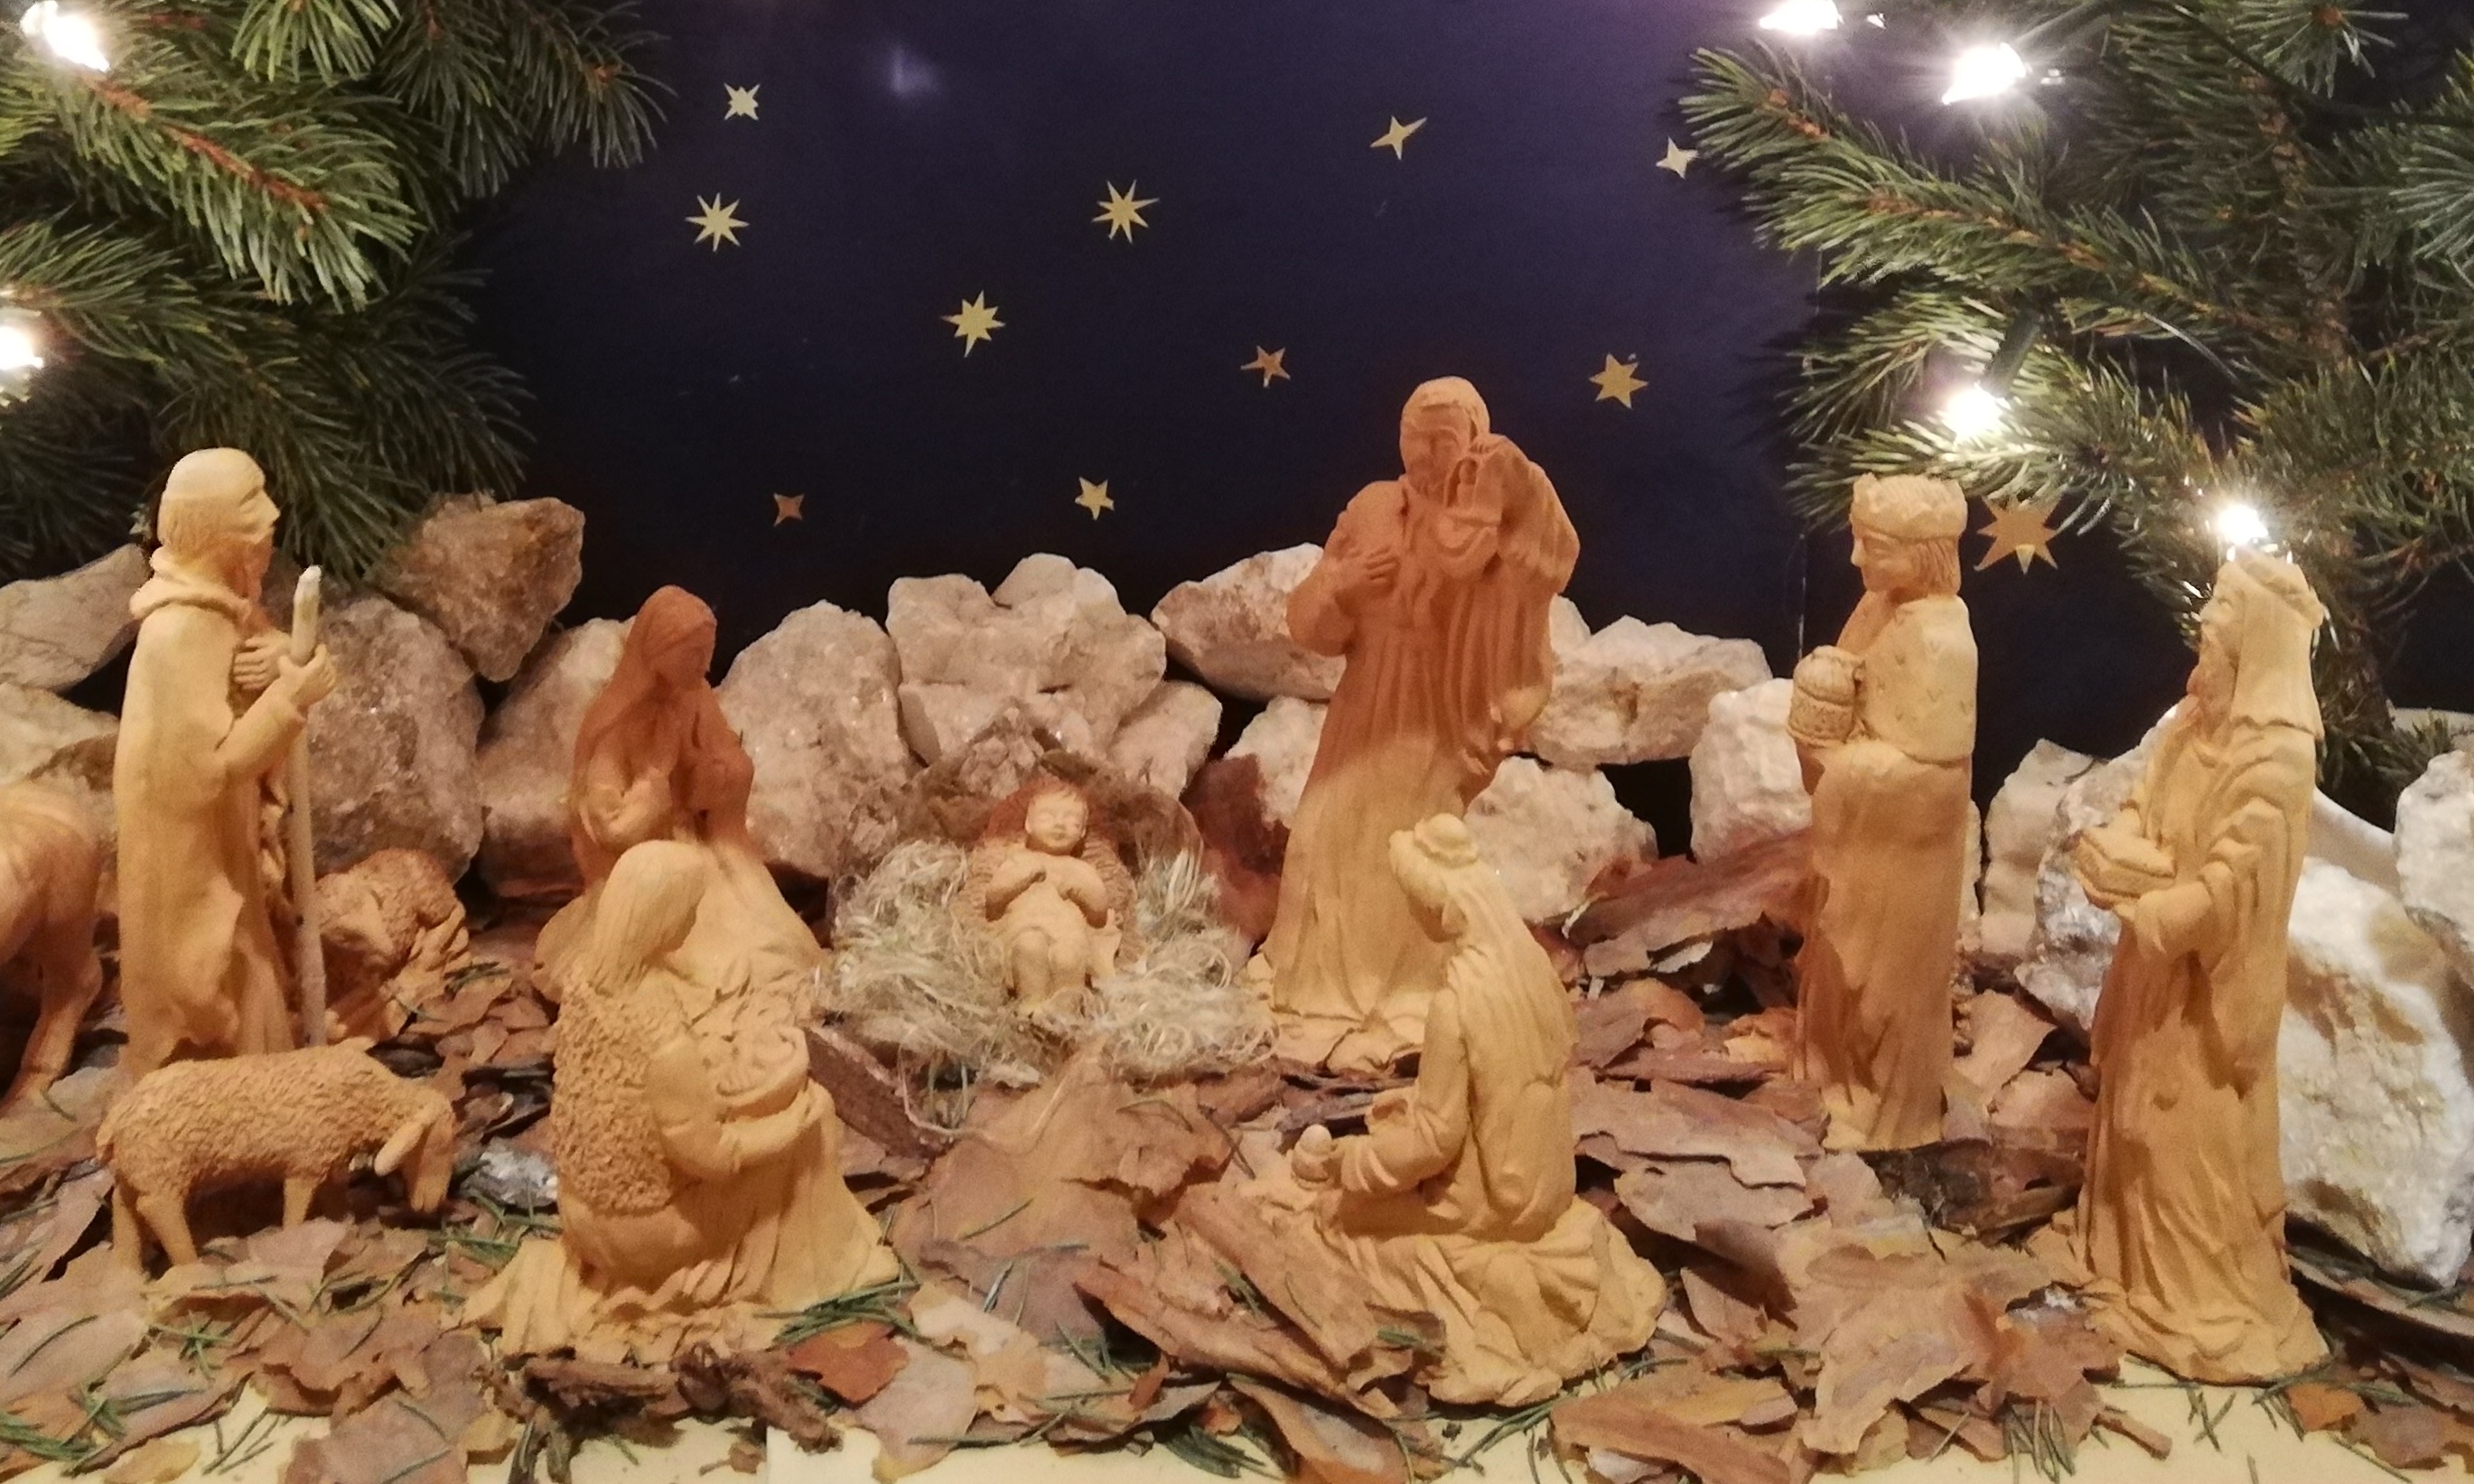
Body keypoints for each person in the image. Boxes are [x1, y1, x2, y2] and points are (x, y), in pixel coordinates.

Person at [1273, 815, 1663, 1405]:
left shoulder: (1457, 1005)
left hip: (1491, 1205)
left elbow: (1434, 1142)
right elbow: (1511, 1086)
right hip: (1547, 1184)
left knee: (1335, 1216)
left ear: (1442, 912)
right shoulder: (1535, 971)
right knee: (1389, 1131)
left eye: (1415, 905)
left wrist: (1353, 1165)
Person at [2055, 548, 2329, 1382]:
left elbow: (2231, 888)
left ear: (2259, 638)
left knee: (2184, 1138)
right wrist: (2113, 851)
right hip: (2150, 969)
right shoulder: (2191, 724)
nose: (2204, 620)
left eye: (2223, 609)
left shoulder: (2275, 762)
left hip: (2206, 988)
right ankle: (2124, 1267)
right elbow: (2140, 806)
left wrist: (2153, 904)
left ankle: (2199, 1295)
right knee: (2132, 1118)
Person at [476, 841, 897, 1359]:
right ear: (662, 921)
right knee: (815, 1121)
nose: (694, 923)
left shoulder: (586, 983)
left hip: (577, 1212)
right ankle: (822, 1272)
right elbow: (713, 1157)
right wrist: (793, 1122)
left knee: (772, 1118)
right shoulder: (663, 1040)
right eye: (689, 911)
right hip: (642, 1235)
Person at [1264, 378, 1578, 1070]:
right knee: (1325, 833)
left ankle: (1406, 995)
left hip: (1435, 713)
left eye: (1444, 440)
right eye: (1415, 437)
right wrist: (1342, 584)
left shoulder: (1482, 525)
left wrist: (1508, 492)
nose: (1427, 454)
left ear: (1471, 444)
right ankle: (1313, 991)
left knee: (1406, 851)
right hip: (1364, 703)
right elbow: (1309, 625)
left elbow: (1545, 554)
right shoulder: (1372, 508)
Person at [116, 449, 337, 1072]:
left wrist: (284, 656)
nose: (270, 522)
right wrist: (291, 697)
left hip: (224, 841)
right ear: (217, 533)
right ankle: (226, 1110)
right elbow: (207, 770)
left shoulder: (219, 609)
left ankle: (264, 1098)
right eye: (251, 509)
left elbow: (259, 667)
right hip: (190, 862)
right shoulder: (180, 632)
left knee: (252, 972)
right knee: (214, 990)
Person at [1788, 474, 1977, 1151]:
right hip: (1863, 841)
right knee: (1836, 969)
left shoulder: (1943, 644)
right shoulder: (1879, 606)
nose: (1855, 559)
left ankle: (1885, 1106)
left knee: (1884, 986)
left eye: (1874, 546)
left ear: (1923, 555)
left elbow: (1933, 779)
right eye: (1858, 539)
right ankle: (1830, 1074)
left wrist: (1840, 764)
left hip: (1899, 856)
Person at [537, 586, 818, 1017]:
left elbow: (721, 760)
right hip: (648, 872)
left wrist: (718, 776)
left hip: (699, 847)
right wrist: (655, 781)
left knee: (772, 937)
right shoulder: (614, 724)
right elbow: (611, 828)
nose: (704, 666)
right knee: (697, 951)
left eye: (707, 654)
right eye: (693, 655)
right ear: (658, 652)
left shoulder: (695, 697)